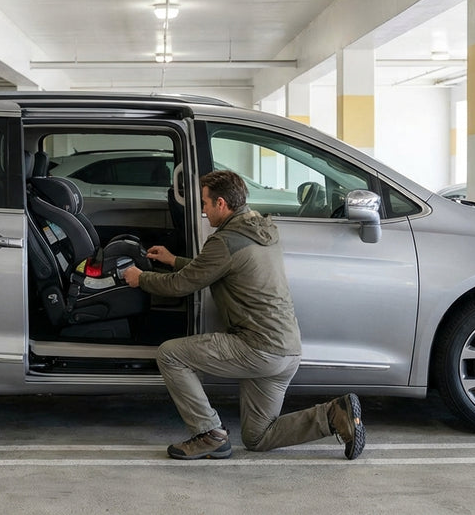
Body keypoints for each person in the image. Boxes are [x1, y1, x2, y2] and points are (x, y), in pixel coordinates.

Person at [122, 170, 365, 460]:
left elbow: (182, 285)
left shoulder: (224, 241)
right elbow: (212, 268)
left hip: (257, 348)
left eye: (205, 203)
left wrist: (141, 278)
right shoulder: (260, 229)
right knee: (257, 437)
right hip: (286, 350)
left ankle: (208, 433)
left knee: (170, 354)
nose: (203, 210)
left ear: (221, 204)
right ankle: (335, 415)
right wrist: (173, 259)